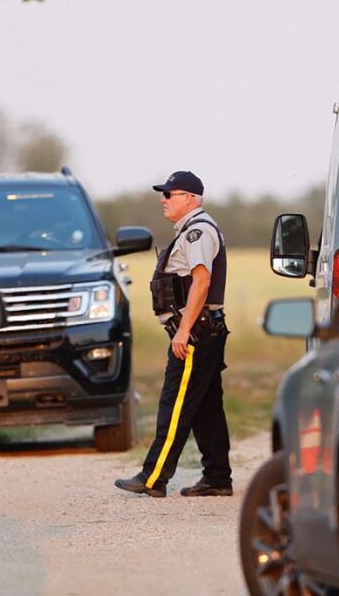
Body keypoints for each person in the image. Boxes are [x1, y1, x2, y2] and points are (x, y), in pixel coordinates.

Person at [115, 170, 232, 498]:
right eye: (163, 194)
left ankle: (154, 477)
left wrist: (182, 331)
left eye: (170, 194)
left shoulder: (198, 232)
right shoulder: (193, 230)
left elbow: (201, 282)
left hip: (194, 333)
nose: (163, 199)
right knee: (206, 407)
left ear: (191, 199)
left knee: (175, 403)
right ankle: (218, 477)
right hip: (201, 330)